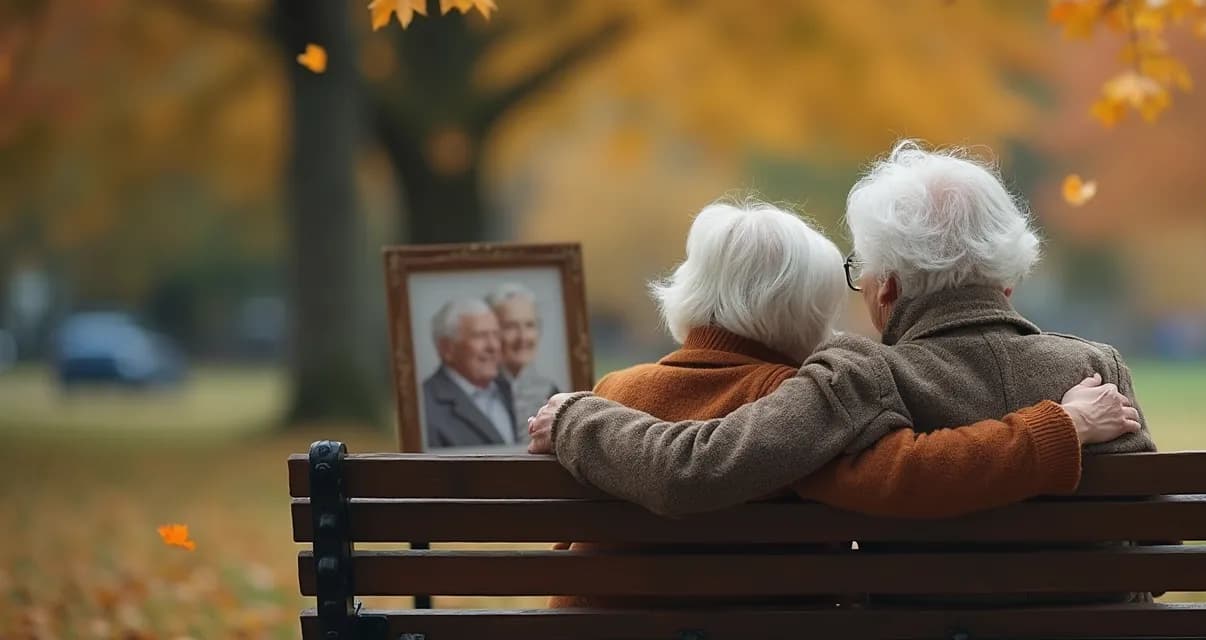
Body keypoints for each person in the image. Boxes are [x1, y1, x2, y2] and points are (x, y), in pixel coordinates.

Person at [545, 198, 1141, 609]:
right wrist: (1059, 426)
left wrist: (575, 413)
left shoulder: (611, 395)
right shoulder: (792, 398)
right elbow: (906, 472)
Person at [528, 142, 1154, 519]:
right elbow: (1156, 542)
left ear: (886, 288)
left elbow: (696, 470)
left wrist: (579, 417)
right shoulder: (1096, 369)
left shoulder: (856, 376)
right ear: (1007, 279)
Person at [420, 298, 521, 449]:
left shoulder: (514, 390)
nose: (493, 346)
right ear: (447, 348)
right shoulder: (423, 408)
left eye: (496, 335)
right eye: (480, 336)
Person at [486, 283, 562, 428]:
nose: (522, 337)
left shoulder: (550, 393)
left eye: (529, 325)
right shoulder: (479, 394)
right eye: (510, 326)